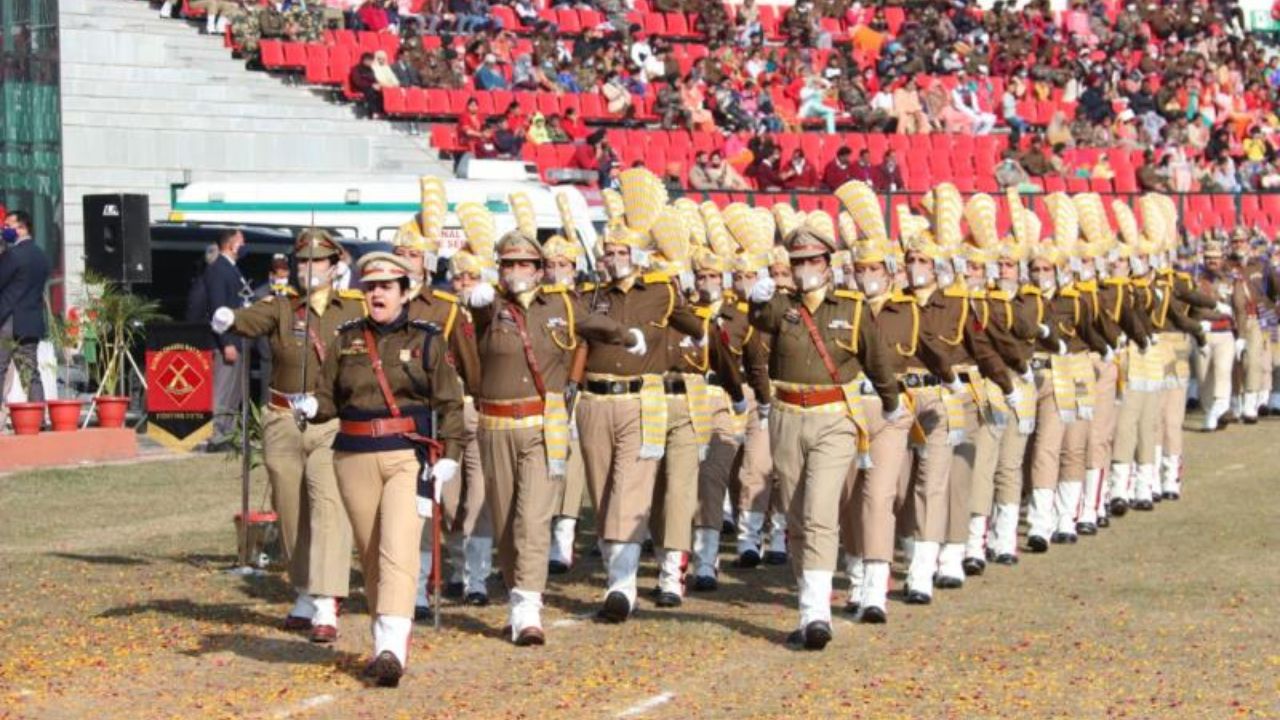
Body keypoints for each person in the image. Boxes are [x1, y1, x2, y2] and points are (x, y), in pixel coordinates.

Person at [310, 251, 465, 688]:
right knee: (372, 552)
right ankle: (383, 639)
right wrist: (308, 405)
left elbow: (449, 402)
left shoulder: (428, 339)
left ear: (405, 291)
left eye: (386, 286)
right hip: (353, 454)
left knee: (398, 549)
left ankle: (391, 649)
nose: (377, 293)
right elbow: (328, 399)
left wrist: (450, 453)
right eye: (370, 287)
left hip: (406, 457)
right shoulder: (345, 339)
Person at [746, 223, 900, 650]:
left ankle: (817, 614)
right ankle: (807, 604)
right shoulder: (783, 306)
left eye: (812, 260)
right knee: (795, 515)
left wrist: (891, 402)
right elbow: (761, 320)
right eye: (797, 262)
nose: (804, 269)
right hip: (786, 415)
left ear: (828, 264)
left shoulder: (850, 307)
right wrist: (755, 300)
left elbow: (877, 359)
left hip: (835, 417)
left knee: (818, 509)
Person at [210, 230, 363, 643]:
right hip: (282, 418)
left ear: (335, 267)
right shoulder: (281, 307)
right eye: (302, 263)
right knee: (291, 509)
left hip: (330, 420)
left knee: (328, 505)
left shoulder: (353, 309)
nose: (307, 270)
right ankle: (303, 591)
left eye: (317, 262)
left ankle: (328, 601)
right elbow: (251, 319)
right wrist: (229, 320)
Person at [575, 169, 706, 623]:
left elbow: (697, 325)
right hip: (594, 399)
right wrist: (622, 332)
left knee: (629, 491)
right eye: (607, 252)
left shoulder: (662, 291)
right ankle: (618, 573)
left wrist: (703, 313)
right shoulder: (594, 292)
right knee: (601, 490)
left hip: (641, 399)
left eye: (619, 252)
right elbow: (583, 323)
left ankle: (621, 587)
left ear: (638, 255)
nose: (612, 259)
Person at [203, 228, 251, 451]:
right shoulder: (218, 270)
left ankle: (229, 433)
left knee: (234, 392)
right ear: (231, 244)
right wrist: (226, 342)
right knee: (222, 390)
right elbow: (217, 309)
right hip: (227, 342)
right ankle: (216, 435)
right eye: (241, 242)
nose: (244, 245)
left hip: (240, 339)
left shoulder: (233, 269)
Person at [0, 211, 49, 416]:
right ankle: (39, 418)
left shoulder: (14, 255)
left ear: (22, 227)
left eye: (8, 225)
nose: (4, 229)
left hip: (9, 321)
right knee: (30, 373)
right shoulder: (41, 255)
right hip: (31, 322)